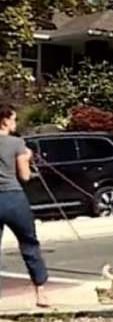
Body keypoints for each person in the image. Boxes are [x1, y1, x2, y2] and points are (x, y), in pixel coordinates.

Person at [0, 104, 50, 307]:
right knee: (29, 244)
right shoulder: (16, 143)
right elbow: (25, 176)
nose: (16, 123)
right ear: (5, 121)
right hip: (13, 197)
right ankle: (40, 294)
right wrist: (27, 157)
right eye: (14, 119)